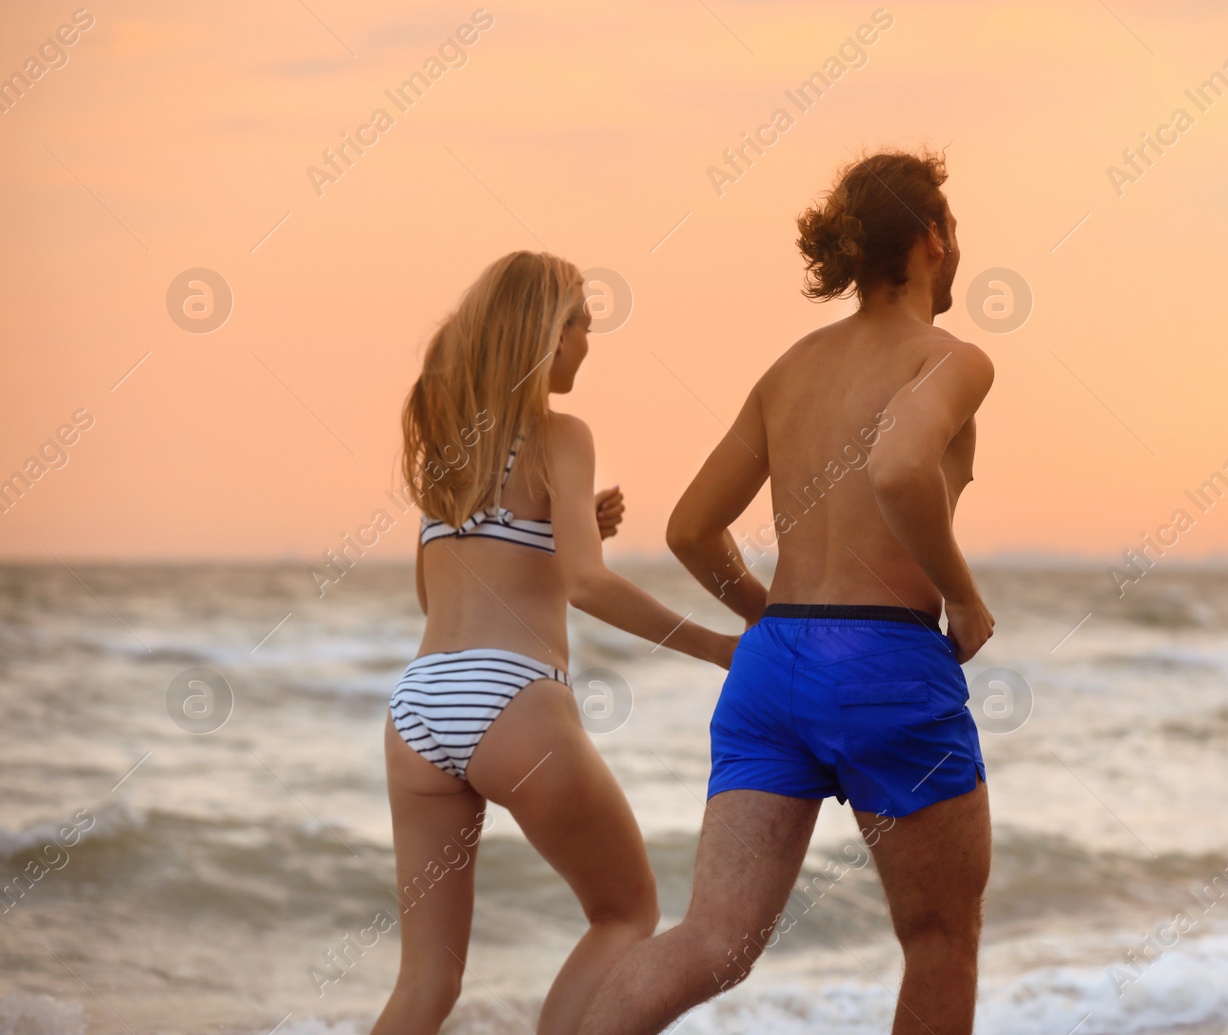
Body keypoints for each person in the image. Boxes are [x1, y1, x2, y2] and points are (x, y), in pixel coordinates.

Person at [578, 149, 995, 1035]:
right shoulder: (952, 359)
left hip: (774, 670)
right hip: (889, 659)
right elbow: (900, 466)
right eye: (952, 229)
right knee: (938, 937)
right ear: (931, 238)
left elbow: (691, 529)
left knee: (713, 941)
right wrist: (963, 596)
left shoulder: (790, 367)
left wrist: (770, 617)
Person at [375, 251, 738, 1035]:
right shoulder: (563, 435)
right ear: (547, 332)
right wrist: (715, 644)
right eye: (582, 324)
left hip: (420, 704)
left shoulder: (448, 445)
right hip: (514, 699)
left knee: (426, 981)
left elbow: (433, 591)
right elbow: (588, 585)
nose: (587, 343)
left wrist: (553, 532)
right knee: (626, 911)